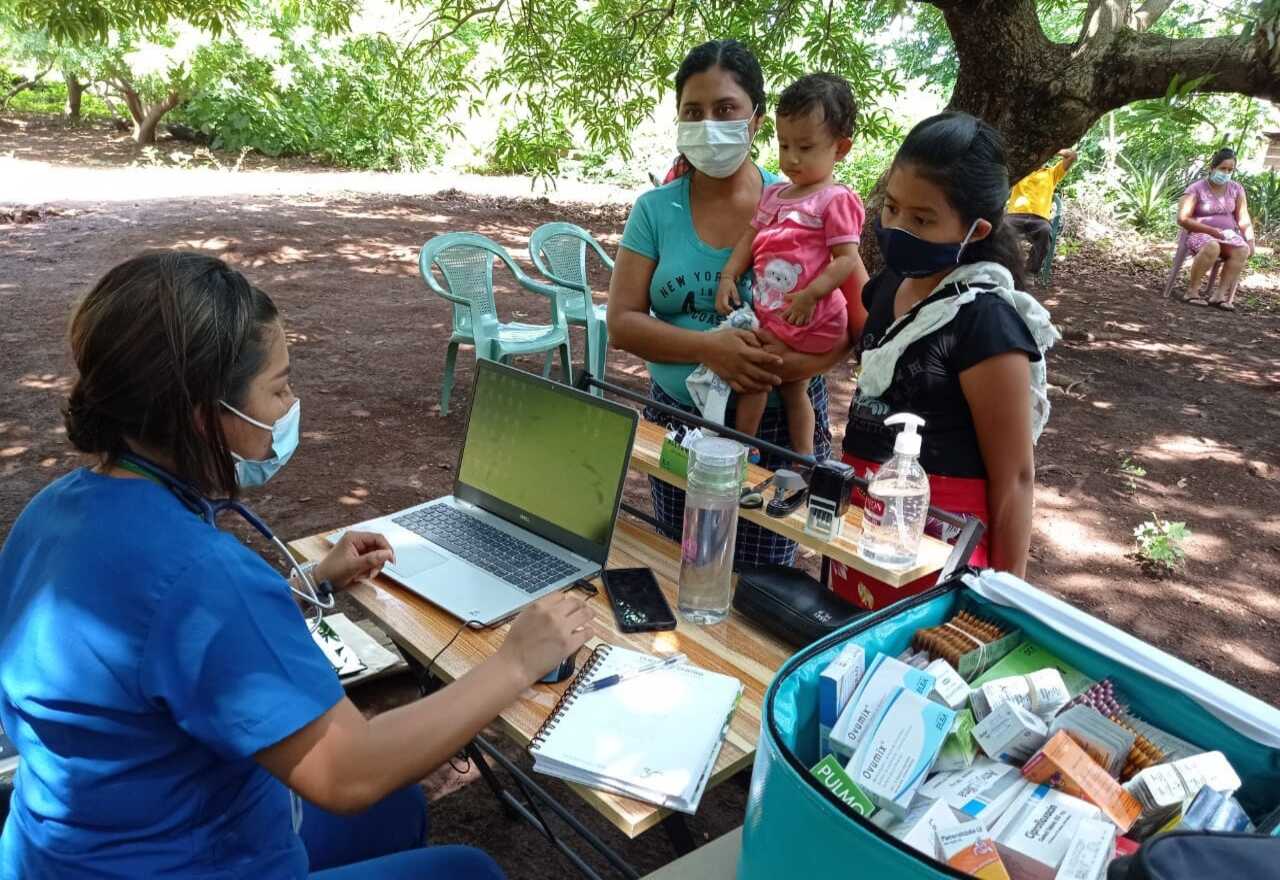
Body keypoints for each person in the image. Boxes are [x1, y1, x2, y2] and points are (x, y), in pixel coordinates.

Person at [0, 252, 593, 879]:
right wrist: (516, 662)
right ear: (204, 416)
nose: (289, 407)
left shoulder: (53, 512)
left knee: (397, 809)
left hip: (65, 851)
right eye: (279, 388)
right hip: (183, 863)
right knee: (469, 872)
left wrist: (304, 585)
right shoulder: (205, 576)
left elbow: (151, 648)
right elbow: (348, 773)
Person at [608, 40, 867, 566]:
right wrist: (710, 349)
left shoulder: (809, 205)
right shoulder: (655, 211)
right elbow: (622, 323)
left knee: (760, 578)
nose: (709, 124)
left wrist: (793, 366)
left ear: (756, 120)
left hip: (777, 427)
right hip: (679, 418)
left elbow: (862, 323)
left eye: (726, 108)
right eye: (693, 111)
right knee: (681, 562)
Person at [832, 112, 1058, 608]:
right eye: (892, 208)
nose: (897, 227)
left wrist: (1003, 604)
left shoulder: (984, 324)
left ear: (975, 230)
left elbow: (1015, 479)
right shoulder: (889, 288)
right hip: (862, 530)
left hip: (939, 555)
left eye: (922, 219)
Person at [714, 73, 866, 460]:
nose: (792, 158)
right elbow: (749, 238)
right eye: (784, 145)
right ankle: (800, 456)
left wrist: (811, 295)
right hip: (779, 312)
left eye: (805, 147)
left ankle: (745, 447)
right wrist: (729, 274)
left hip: (810, 317)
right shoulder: (775, 194)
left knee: (758, 375)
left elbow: (846, 260)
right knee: (792, 386)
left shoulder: (835, 199)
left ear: (840, 148)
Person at [1177, 147, 1255, 310]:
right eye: (1222, 168)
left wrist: (1250, 240)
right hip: (1200, 234)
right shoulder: (1196, 189)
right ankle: (1192, 291)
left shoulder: (1236, 189)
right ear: (1212, 168)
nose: (1225, 173)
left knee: (1242, 249)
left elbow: (1243, 218)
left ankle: (1219, 295)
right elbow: (1183, 219)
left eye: (1230, 170)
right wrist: (1211, 231)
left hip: (1227, 236)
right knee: (1212, 245)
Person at [1005, 147, 1076, 277]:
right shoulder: (1020, 172)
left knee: (1045, 231)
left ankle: (1030, 272)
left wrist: (1051, 149)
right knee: (1001, 228)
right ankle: (1005, 268)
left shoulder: (1051, 173)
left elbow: (1072, 156)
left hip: (1039, 219)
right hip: (1016, 215)